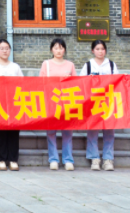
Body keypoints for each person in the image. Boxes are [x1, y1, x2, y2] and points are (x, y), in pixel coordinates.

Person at [0, 39, 23, 172]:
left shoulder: (15, 67)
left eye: (7, 48)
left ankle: (13, 159)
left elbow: (23, 84)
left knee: (13, 132)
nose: (5, 51)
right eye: (2, 48)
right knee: (0, 132)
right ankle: (1, 159)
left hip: (14, 104)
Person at [80, 39, 117, 171]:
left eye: (102, 49)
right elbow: (81, 83)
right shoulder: (88, 65)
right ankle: (94, 158)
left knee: (109, 131)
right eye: (97, 49)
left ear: (105, 50)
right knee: (92, 131)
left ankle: (108, 159)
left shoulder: (111, 65)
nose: (100, 51)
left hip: (108, 103)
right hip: (93, 103)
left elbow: (118, 83)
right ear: (92, 51)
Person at [40, 38, 77, 171]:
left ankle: (68, 159)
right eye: (56, 48)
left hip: (67, 101)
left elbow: (76, 84)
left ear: (64, 50)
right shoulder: (46, 64)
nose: (58, 51)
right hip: (51, 101)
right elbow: (40, 83)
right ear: (52, 50)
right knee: (51, 132)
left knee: (67, 132)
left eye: (61, 48)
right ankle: (53, 159)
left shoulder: (70, 65)